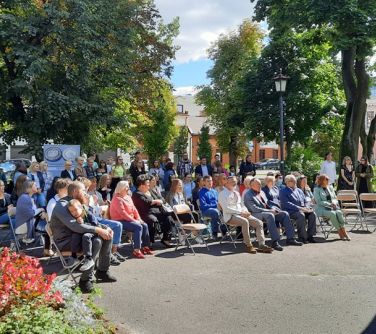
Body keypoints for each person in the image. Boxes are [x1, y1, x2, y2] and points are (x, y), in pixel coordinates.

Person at [50, 181, 116, 292]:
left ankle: (102, 271)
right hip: (65, 241)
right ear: (75, 192)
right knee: (97, 241)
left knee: (107, 234)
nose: (86, 193)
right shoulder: (62, 205)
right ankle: (85, 280)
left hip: (79, 236)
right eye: (84, 191)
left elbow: (90, 221)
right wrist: (99, 230)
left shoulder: (78, 203)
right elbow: (76, 227)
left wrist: (105, 228)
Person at [219, 176, 273, 254]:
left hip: (241, 214)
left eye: (235, 181)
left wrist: (245, 211)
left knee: (259, 223)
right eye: (232, 181)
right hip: (230, 216)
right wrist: (241, 212)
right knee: (245, 222)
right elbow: (226, 209)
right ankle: (249, 245)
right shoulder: (222, 194)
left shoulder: (237, 193)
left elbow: (242, 204)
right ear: (226, 183)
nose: (234, 183)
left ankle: (262, 245)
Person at [245, 178, 302, 251]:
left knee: (284, 213)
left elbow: (267, 203)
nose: (260, 185)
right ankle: (275, 242)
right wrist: (270, 211)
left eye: (260, 184)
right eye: (258, 184)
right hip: (255, 214)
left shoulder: (261, 192)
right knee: (270, 215)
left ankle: (290, 238)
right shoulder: (248, 194)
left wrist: (275, 209)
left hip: (266, 211)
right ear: (252, 185)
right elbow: (254, 209)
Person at [110, 180, 153, 258]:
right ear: (121, 188)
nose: (128, 188)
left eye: (128, 187)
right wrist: (135, 221)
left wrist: (139, 219)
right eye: (126, 187)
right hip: (119, 220)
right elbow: (123, 214)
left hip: (129, 219)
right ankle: (136, 250)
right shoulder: (117, 199)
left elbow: (134, 209)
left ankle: (145, 246)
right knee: (138, 227)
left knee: (144, 225)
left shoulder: (128, 197)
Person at [132, 175, 174, 248]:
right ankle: (149, 242)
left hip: (158, 212)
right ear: (142, 185)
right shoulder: (136, 194)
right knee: (152, 220)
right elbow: (146, 202)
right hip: (145, 214)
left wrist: (156, 201)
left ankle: (165, 239)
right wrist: (156, 201)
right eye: (147, 184)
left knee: (169, 218)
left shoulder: (150, 191)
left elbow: (162, 199)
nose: (149, 185)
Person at [15, 180, 51, 255]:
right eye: (35, 185)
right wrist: (41, 210)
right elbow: (30, 214)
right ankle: (48, 249)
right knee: (49, 227)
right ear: (29, 188)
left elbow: (33, 213)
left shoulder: (29, 197)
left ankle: (47, 249)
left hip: (29, 221)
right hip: (24, 224)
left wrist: (41, 212)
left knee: (48, 223)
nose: (37, 187)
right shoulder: (25, 198)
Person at [280, 175, 317, 243]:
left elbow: (305, 201)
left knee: (312, 214)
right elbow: (287, 203)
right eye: (293, 181)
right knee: (301, 215)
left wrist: (307, 207)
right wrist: (300, 208)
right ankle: (302, 237)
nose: (295, 182)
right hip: (291, 212)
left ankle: (310, 236)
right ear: (287, 182)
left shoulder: (299, 190)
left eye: (295, 180)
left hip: (302, 209)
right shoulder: (283, 191)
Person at [313, 174, 351, 240]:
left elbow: (335, 198)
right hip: (321, 209)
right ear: (322, 181)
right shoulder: (316, 189)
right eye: (326, 179)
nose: (328, 180)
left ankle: (344, 232)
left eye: (328, 179)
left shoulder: (330, 187)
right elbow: (318, 202)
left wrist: (334, 202)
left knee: (339, 212)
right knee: (333, 214)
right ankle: (340, 232)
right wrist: (329, 204)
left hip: (332, 207)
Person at [67, 199, 95, 271]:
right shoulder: (74, 218)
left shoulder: (88, 214)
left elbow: (95, 225)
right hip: (81, 233)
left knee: (86, 236)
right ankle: (74, 256)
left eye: (75, 210)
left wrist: (84, 224)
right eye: (71, 211)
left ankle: (89, 258)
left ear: (81, 208)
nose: (74, 213)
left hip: (92, 232)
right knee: (75, 235)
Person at [198, 175, 225, 240]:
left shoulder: (214, 191)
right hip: (206, 211)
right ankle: (214, 233)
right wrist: (215, 205)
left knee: (225, 210)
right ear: (204, 182)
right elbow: (203, 206)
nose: (210, 182)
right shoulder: (202, 192)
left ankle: (224, 231)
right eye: (208, 181)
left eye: (211, 181)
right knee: (215, 212)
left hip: (216, 209)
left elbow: (219, 201)